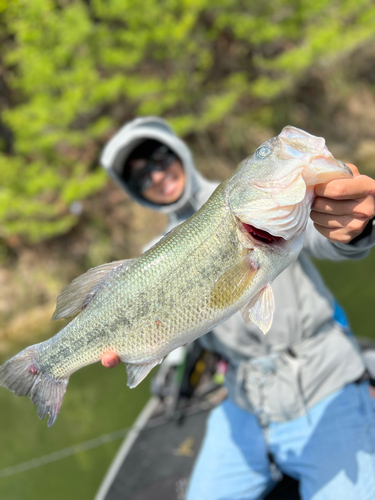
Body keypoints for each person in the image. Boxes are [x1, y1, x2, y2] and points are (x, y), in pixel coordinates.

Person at [100, 116, 375, 499]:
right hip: (244, 404)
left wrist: (357, 227)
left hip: (325, 383)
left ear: (178, 152)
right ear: (135, 193)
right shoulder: (150, 259)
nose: (157, 177)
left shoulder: (260, 196)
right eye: (141, 177)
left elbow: (329, 240)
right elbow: (176, 326)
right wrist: (142, 344)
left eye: (159, 159)